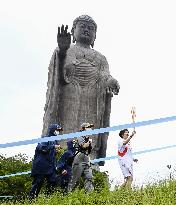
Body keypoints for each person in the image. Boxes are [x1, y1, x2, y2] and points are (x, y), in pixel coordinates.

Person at [42, 15, 120, 166]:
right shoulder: (65, 49)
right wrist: (63, 52)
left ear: (95, 35)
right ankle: (62, 153)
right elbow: (60, 76)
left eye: (90, 28)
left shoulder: (101, 58)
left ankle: (90, 159)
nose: (86, 30)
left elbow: (105, 76)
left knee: (90, 128)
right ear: (73, 31)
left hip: (93, 97)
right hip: (69, 95)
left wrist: (111, 81)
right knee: (67, 127)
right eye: (82, 26)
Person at [29, 124, 63, 199]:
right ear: (53, 130)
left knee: (52, 181)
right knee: (38, 183)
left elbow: (52, 153)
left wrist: (57, 151)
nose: (58, 132)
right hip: (41, 166)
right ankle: (31, 199)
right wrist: (53, 147)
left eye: (59, 131)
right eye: (57, 130)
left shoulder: (55, 141)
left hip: (50, 167)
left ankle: (48, 199)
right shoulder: (45, 138)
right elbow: (41, 148)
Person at [68, 122, 94, 193]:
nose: (90, 129)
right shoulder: (80, 135)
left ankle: (89, 194)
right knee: (75, 179)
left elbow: (88, 150)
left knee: (89, 177)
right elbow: (83, 146)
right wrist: (89, 142)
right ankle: (70, 194)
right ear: (83, 129)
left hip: (86, 157)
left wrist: (89, 143)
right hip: (79, 157)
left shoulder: (87, 137)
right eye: (88, 127)